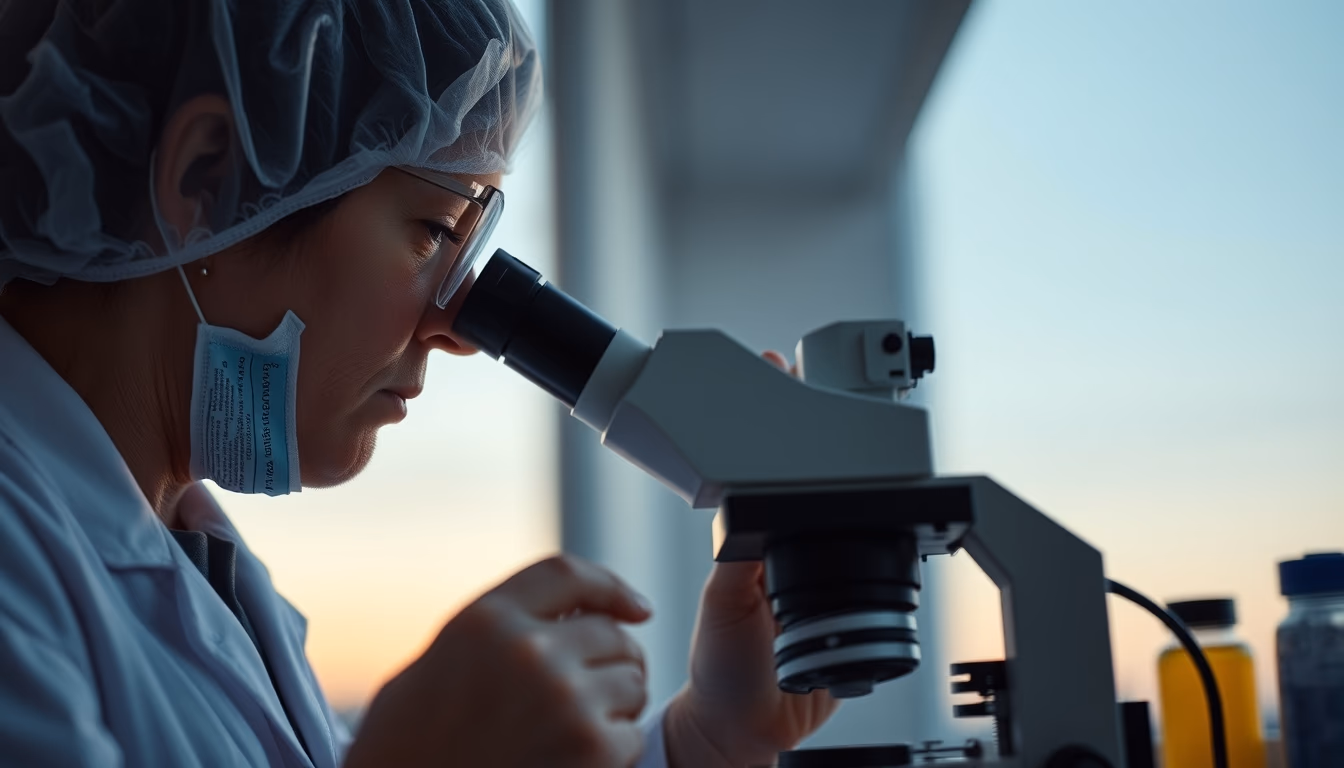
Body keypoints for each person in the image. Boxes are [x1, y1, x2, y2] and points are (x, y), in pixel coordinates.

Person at [0, 0, 839, 766]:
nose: (457, 331)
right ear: (204, 180)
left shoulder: (204, 567)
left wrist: (710, 740)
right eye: (437, 229)